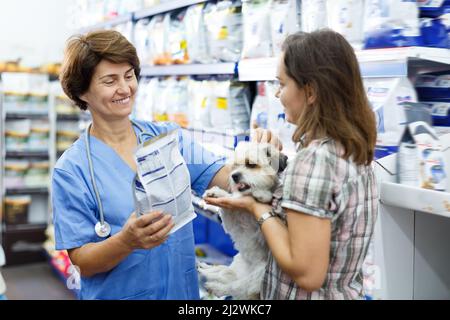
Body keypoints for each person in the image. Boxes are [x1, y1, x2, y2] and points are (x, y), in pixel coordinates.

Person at [53, 30, 280, 300]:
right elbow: (82, 261)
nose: (125, 89)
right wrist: (126, 242)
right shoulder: (72, 170)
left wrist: (259, 160)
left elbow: (226, 178)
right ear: (82, 91)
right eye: (109, 80)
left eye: (129, 75)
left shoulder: (168, 140)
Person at [205, 29, 379, 300]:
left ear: (310, 92)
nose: (277, 94)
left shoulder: (314, 162)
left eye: (282, 84)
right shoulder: (354, 150)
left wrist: (257, 207)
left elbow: (307, 274)